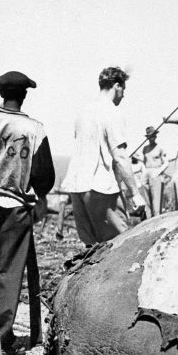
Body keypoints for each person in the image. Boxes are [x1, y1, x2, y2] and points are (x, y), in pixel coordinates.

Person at [0, 71, 54, 355]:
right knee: (8, 273)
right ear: (24, 95)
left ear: (2, 93)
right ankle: (2, 336)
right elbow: (44, 176)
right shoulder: (34, 129)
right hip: (16, 209)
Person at [58, 66, 140, 244]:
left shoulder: (83, 112)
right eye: (123, 90)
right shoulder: (112, 112)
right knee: (120, 244)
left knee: (91, 248)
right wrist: (135, 193)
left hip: (78, 187)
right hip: (101, 187)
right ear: (117, 85)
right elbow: (120, 156)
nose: (123, 95)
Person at [141, 126, 166, 216]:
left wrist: (158, 172)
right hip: (146, 173)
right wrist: (144, 173)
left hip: (156, 173)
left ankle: (157, 220)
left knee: (156, 201)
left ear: (155, 136)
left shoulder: (160, 147)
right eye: (149, 136)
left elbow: (166, 162)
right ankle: (148, 220)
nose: (151, 138)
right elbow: (143, 162)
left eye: (152, 136)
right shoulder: (145, 149)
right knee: (147, 202)